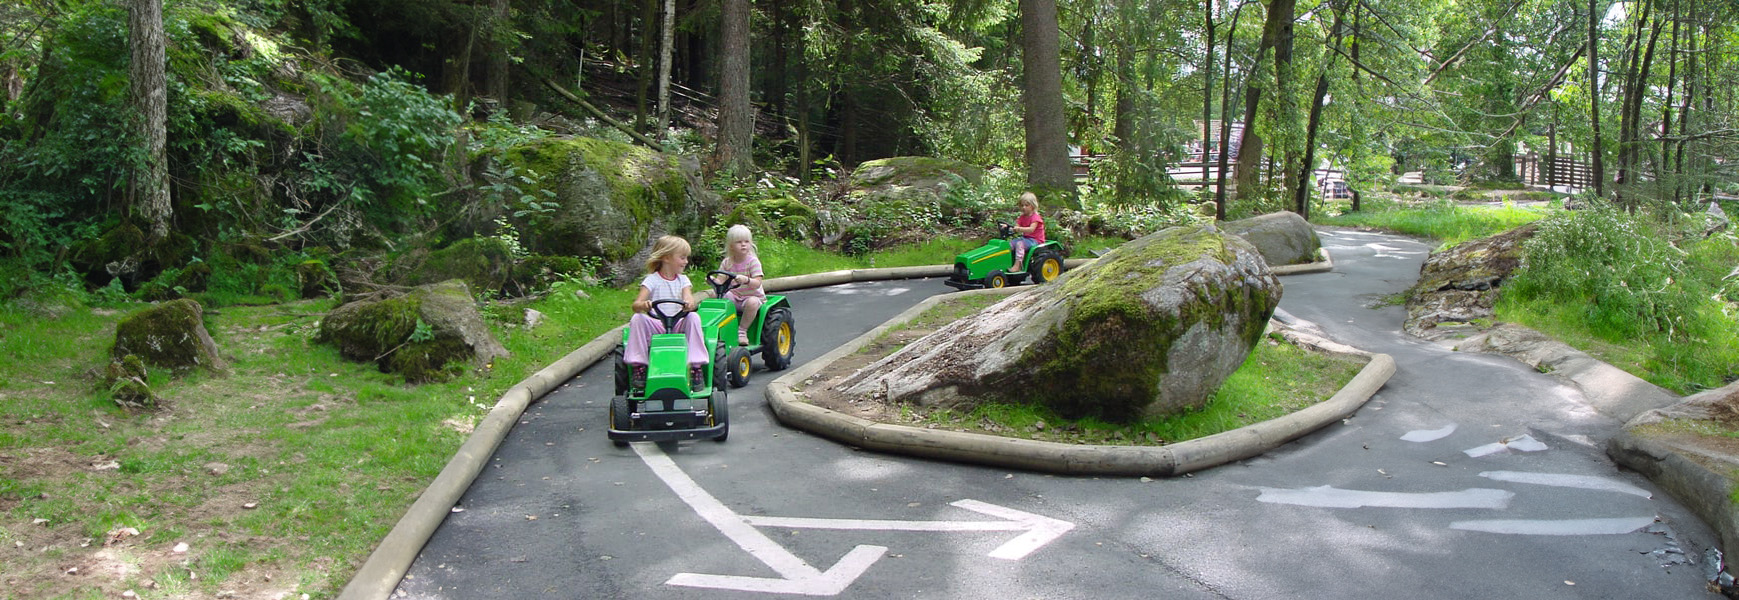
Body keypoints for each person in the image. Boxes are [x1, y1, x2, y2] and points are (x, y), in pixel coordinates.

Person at [625, 235, 709, 391]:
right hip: (657, 324)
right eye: (682, 257)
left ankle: (695, 367)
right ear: (666, 258)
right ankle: (639, 366)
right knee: (637, 318)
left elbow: (688, 298)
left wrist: (689, 303)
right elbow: (636, 305)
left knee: (693, 317)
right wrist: (644, 305)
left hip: (678, 324)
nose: (686, 262)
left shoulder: (683, 280)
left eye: (686, 258)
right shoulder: (652, 280)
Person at [716, 224, 765, 346]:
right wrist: (713, 281)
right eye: (739, 242)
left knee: (752, 302)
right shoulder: (727, 262)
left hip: (751, 297)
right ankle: (723, 328)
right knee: (721, 297)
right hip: (735, 296)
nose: (743, 244)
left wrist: (746, 280)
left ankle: (742, 331)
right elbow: (720, 280)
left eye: (746, 241)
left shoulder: (753, 262)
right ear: (731, 246)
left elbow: (757, 282)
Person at [1009, 191, 1046, 270]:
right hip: (1026, 239)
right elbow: (1017, 226)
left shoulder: (1035, 217)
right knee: (1009, 244)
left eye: (1026, 205)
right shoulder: (1022, 217)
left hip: (1035, 240)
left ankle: (1017, 266)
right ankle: (1006, 263)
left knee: (1019, 244)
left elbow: (1031, 230)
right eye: (1022, 205)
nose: (1024, 207)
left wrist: (1018, 229)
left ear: (1033, 206)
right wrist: (1008, 227)